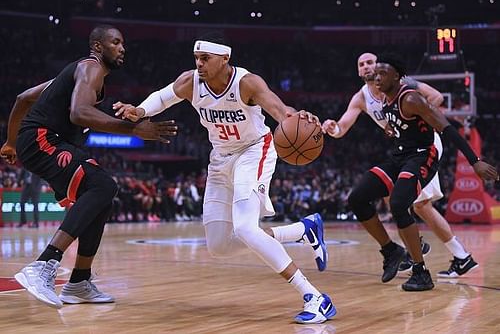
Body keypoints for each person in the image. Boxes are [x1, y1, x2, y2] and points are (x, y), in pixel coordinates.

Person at [113, 33, 336, 324]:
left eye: (205, 59)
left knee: (245, 227)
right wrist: (139, 110)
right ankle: (302, 230)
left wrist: (298, 118)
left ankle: (315, 297)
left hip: (254, 150)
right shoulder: (190, 82)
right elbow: (163, 97)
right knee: (220, 245)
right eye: (196, 58)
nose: (199, 64)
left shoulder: (247, 83)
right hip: (220, 159)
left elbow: (280, 111)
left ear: (224, 59)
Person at [0, 24, 177, 309]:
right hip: (42, 138)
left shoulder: (73, 74)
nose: (122, 48)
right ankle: (44, 264)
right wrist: (132, 130)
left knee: (101, 196)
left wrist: (10, 143)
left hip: (37, 142)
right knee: (102, 184)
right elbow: (79, 113)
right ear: (98, 46)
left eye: (123, 44)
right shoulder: (91, 67)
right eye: (116, 42)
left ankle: (79, 281)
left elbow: (23, 98)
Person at [343, 53, 498, 291]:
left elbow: (447, 128)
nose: (376, 77)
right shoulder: (382, 98)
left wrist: (475, 160)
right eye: (375, 74)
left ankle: (421, 271)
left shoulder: (411, 98)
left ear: (397, 77)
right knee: (357, 198)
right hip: (400, 155)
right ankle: (391, 251)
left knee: (401, 204)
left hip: (423, 154)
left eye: (382, 73)